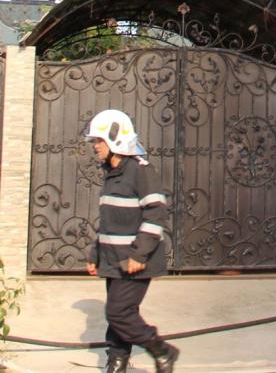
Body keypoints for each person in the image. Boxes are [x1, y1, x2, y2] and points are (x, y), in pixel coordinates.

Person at [85, 109, 179, 373]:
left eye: (99, 140)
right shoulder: (111, 173)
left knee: (118, 312)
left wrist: (139, 254)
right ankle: (117, 362)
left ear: (115, 140)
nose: (95, 146)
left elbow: (156, 214)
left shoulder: (141, 171)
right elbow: (109, 222)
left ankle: (162, 350)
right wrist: (96, 255)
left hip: (135, 260)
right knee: (120, 314)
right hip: (113, 260)